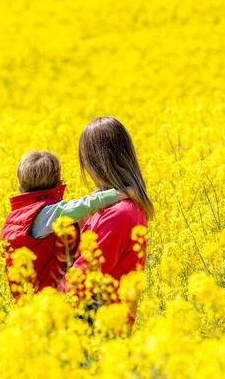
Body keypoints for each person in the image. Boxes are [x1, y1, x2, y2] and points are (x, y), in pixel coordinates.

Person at [58, 117, 154, 324]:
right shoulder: (109, 207)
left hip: (101, 326)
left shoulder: (121, 213)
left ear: (94, 162)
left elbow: (87, 273)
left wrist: (46, 307)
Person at [1, 151, 130, 300]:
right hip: (49, 299)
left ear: (20, 189)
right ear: (59, 184)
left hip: (30, 299)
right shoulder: (44, 214)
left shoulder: (16, 219)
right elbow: (83, 206)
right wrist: (121, 194)